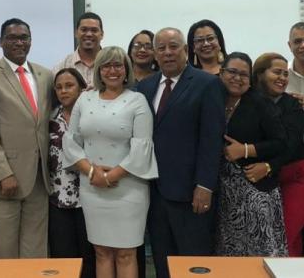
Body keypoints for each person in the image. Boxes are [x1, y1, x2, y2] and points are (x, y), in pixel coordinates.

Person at [135, 27, 225, 278]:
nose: (167, 53)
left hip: (191, 193)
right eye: (161, 48)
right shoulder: (144, 87)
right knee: (162, 262)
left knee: (193, 264)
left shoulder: (207, 84)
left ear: (186, 50)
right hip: (154, 191)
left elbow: (211, 139)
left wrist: (205, 185)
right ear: (155, 54)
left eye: (173, 46)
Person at [64, 46, 158, 278]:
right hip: (92, 187)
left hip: (128, 189)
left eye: (118, 65)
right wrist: (93, 173)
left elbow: (142, 147)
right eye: (106, 65)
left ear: (126, 70)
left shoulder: (137, 101)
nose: (112, 70)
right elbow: (71, 141)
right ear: (99, 70)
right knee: (101, 252)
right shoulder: (85, 99)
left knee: (126, 254)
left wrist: (109, 177)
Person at [0, 18, 54, 259]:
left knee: (35, 253)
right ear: (0, 42)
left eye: (24, 37)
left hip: (39, 180)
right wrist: (2, 173)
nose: (19, 42)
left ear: (30, 41)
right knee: (2, 255)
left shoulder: (45, 75)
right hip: (4, 183)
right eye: (12, 38)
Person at [215, 52, 288, 256]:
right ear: (221, 73)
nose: (237, 78)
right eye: (232, 72)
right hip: (224, 193)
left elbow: (281, 143)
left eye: (243, 74)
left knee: (258, 254)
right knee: (229, 252)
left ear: (251, 79)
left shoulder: (260, 103)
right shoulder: (214, 99)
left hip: (255, 190)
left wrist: (245, 149)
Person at [252, 52, 304, 257]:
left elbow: (289, 146)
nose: (282, 78)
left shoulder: (292, 105)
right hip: (269, 178)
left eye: (285, 74)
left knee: (284, 235)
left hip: (298, 175)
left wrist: (268, 166)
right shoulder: (248, 102)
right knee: (288, 237)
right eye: (276, 72)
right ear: (260, 74)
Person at [47, 68, 95, 277]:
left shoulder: (93, 115)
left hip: (90, 197)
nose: (63, 91)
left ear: (82, 88)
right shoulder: (49, 118)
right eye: (59, 87)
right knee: (63, 257)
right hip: (58, 199)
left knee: (90, 256)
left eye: (69, 86)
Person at [53, 12, 104, 86]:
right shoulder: (61, 67)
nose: (89, 34)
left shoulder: (112, 66)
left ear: (102, 34)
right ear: (76, 33)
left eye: (94, 30)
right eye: (84, 30)